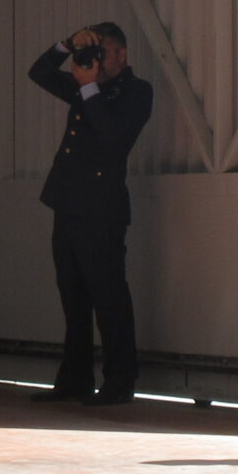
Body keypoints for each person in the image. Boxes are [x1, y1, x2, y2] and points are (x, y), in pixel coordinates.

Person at [25, 22, 156, 406]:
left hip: (101, 210)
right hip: (67, 203)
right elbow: (39, 73)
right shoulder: (88, 86)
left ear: (122, 54)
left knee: (109, 297)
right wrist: (67, 45)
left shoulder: (136, 91)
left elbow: (114, 140)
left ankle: (119, 381)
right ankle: (74, 379)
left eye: (103, 53)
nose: (96, 61)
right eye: (92, 53)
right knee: (73, 296)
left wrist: (87, 88)